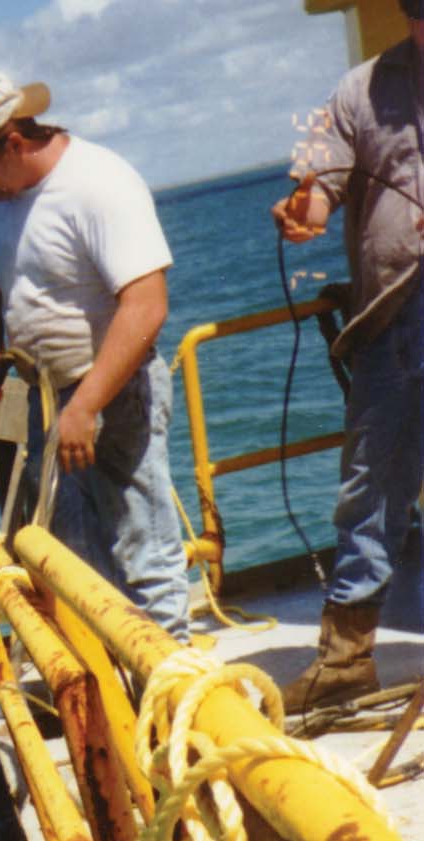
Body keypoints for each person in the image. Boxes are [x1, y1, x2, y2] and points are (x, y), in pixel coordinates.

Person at [0, 71, 191, 642]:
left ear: (14, 141)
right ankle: (110, 699)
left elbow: (146, 305)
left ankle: (174, 697)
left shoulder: (98, 183)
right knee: (65, 553)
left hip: (112, 393)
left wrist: (87, 406)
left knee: (141, 546)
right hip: (38, 401)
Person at [272, 0, 423, 713]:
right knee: (370, 485)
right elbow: (318, 180)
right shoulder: (357, 90)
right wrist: (306, 211)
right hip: (393, 321)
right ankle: (345, 657)